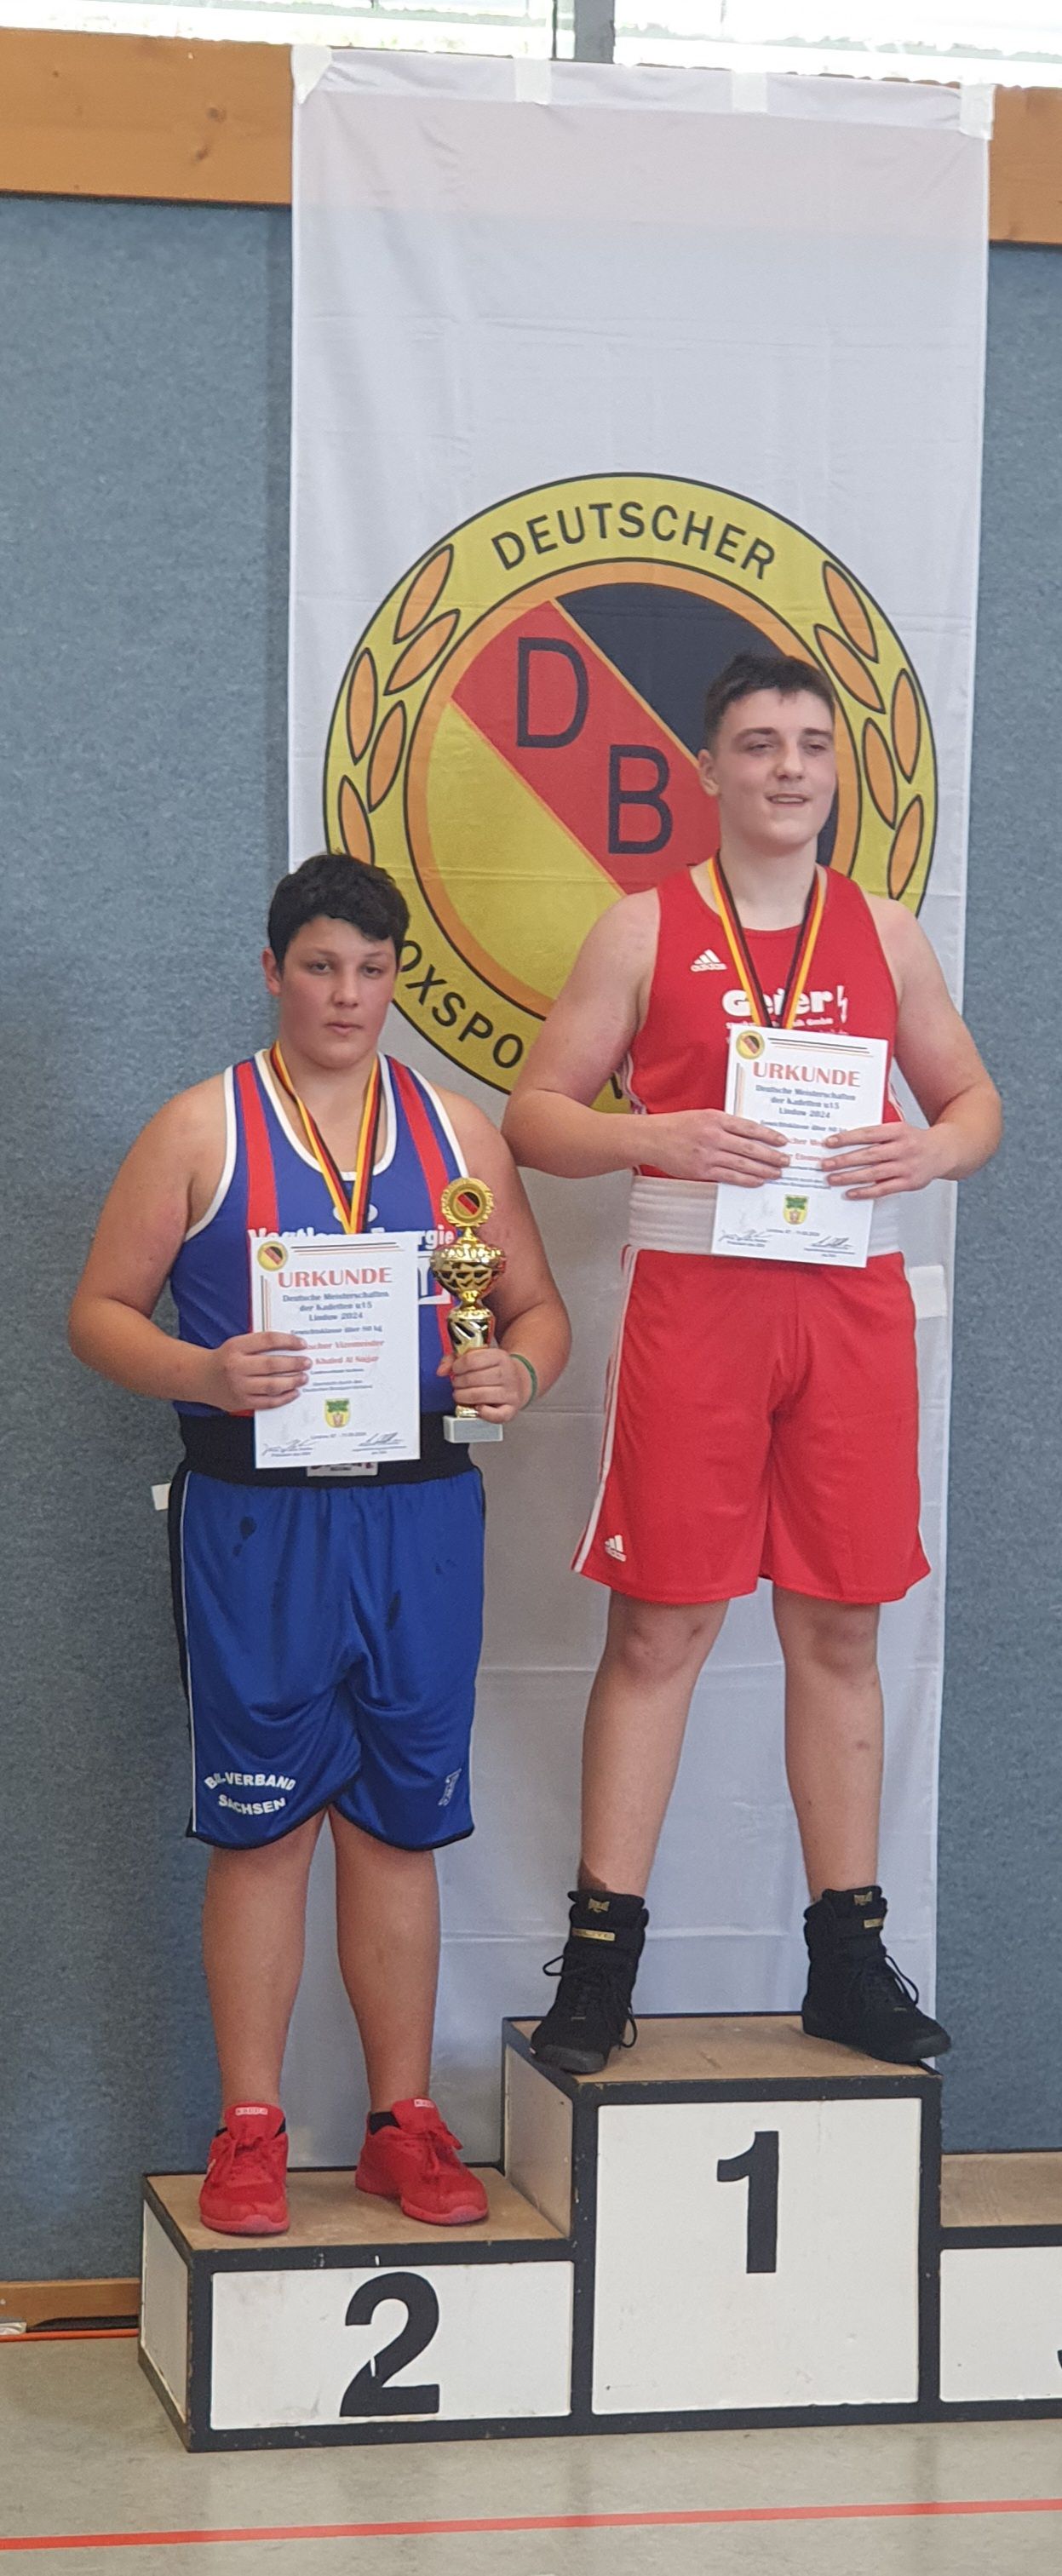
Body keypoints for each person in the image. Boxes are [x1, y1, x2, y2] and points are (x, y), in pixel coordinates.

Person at [502, 650, 1000, 2075]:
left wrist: (929, 1148)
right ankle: (600, 1963)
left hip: (848, 1306)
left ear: (838, 770)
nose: (789, 767)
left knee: (841, 1629)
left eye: (811, 744)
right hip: (701, 1303)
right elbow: (535, 1116)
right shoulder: (643, 929)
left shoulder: (888, 934)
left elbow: (975, 1102)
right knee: (660, 1629)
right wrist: (651, 1133)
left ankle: (846, 1958)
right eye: (760, 742)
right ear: (708, 768)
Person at [69, 853, 569, 2235]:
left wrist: (519, 1372)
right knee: (265, 1825)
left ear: (397, 976)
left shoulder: (459, 1135)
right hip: (261, 1519)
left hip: (419, 1512)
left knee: (400, 1824)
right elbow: (97, 1310)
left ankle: (403, 2122)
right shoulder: (201, 1128)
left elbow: (536, 1311)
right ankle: (250, 2129)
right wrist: (202, 1369)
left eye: (372, 968)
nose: (348, 993)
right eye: (321, 966)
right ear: (274, 970)